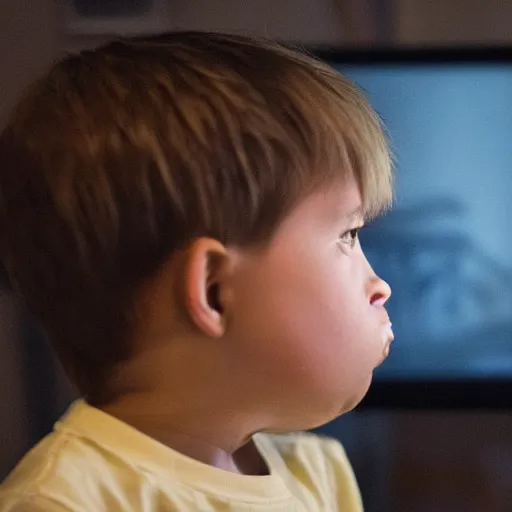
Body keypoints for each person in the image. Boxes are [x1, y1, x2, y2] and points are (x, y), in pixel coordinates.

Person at [0, 31, 393, 511]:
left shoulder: (318, 473)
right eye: (347, 237)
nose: (381, 287)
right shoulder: (62, 503)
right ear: (214, 291)